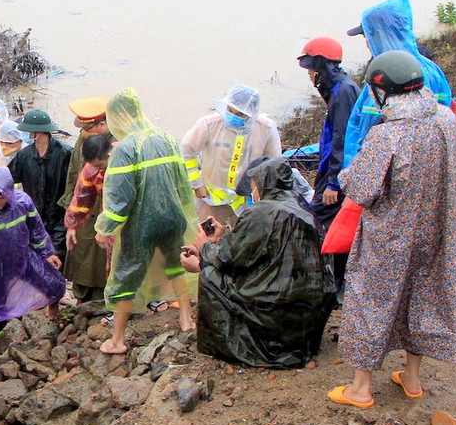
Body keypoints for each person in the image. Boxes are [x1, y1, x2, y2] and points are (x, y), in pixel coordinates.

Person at [326, 51, 456, 409]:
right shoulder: (446, 121)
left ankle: (360, 388)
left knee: (372, 300)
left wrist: (344, 174)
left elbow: (360, 188)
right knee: (422, 298)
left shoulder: (388, 134)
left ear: (381, 89)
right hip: (439, 231)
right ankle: (412, 378)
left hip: (391, 236)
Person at [182, 159, 334, 369]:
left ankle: (241, 345)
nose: (252, 192)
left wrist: (205, 249)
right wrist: (218, 241)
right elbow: (257, 256)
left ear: (263, 185)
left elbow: (229, 260)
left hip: (275, 312)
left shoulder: (260, 212)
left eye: (253, 186)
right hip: (309, 318)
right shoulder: (304, 210)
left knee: (209, 276)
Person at [95, 88, 196, 352]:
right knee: (176, 265)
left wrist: (105, 227)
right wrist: (186, 212)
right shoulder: (167, 139)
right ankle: (186, 319)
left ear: (118, 117)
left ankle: (117, 340)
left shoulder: (126, 149)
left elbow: (120, 198)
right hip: (174, 218)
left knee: (126, 276)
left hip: (142, 225)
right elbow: (182, 183)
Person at [0, 168, 66, 363]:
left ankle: (52, 309)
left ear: (10, 193)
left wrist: (48, 253)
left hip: (22, 258)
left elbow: (37, 230)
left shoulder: (23, 203)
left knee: (53, 283)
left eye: (3, 196)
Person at [344, 0, 453, 166]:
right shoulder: (431, 69)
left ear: (381, 35)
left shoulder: (387, 75)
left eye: (368, 37)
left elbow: (365, 130)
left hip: (389, 172)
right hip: (430, 165)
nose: (367, 44)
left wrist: (352, 174)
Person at [297, 36, 361, 294]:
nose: (310, 74)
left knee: (313, 223)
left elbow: (342, 138)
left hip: (337, 175)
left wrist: (334, 182)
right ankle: (336, 284)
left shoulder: (343, 91)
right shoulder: (336, 89)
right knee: (334, 227)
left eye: (311, 69)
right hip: (330, 170)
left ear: (321, 65)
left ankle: (324, 284)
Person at [180, 85, 282, 230]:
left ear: (251, 114)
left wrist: (262, 196)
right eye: (230, 110)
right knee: (205, 237)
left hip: (245, 201)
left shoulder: (266, 129)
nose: (233, 116)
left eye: (240, 114)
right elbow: (187, 151)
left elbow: (273, 165)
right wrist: (196, 184)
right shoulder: (209, 125)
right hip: (210, 197)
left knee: (244, 240)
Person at [57, 97, 112, 303]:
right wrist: (69, 202)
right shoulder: (84, 139)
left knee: (103, 255)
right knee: (79, 248)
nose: (84, 132)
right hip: (82, 204)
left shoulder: (115, 144)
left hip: (105, 207)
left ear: (103, 123)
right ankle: (81, 295)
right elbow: (74, 171)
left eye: (88, 127)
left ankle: (103, 297)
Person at [9, 107, 74, 257]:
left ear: (36, 132)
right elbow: (6, 177)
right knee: (35, 258)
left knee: (57, 258)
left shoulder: (65, 153)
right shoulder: (25, 156)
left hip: (59, 219)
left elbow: (76, 183)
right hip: (34, 217)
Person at [63, 133, 114, 284]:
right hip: (110, 219)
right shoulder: (91, 170)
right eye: (94, 165)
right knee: (112, 263)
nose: (98, 169)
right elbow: (82, 199)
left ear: (109, 154)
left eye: (100, 165)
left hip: (130, 219)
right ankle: (116, 303)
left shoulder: (123, 163)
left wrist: (105, 229)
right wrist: (73, 226)